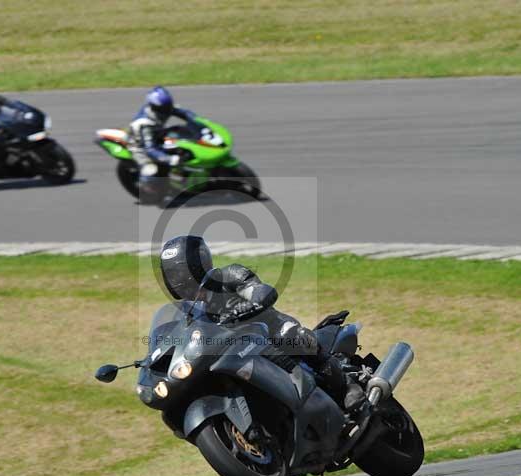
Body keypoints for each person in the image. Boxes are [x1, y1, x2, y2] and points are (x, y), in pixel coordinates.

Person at [158, 235, 365, 411]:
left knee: (293, 337)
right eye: (173, 275)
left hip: (271, 332)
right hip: (234, 352)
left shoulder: (229, 275)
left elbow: (262, 291)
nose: (179, 280)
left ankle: (346, 385)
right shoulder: (188, 311)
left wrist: (249, 306)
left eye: (181, 273)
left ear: (197, 265)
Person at [128, 86, 198, 198]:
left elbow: (183, 113)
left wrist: (197, 121)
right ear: (155, 107)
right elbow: (150, 149)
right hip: (140, 147)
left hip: (157, 135)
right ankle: (148, 189)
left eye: (168, 106)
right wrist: (169, 159)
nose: (168, 110)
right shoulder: (145, 124)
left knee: (181, 133)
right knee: (151, 170)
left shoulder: (163, 107)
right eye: (165, 108)